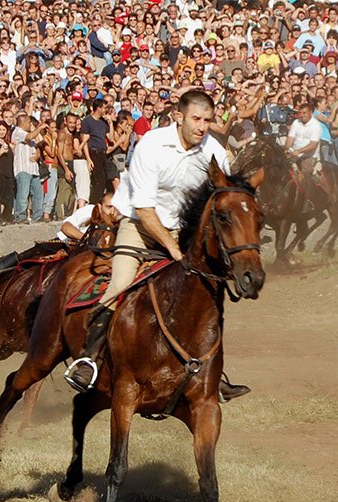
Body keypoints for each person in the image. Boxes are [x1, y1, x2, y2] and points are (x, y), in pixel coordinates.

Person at [63, 91, 249, 402]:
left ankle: (213, 373)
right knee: (121, 283)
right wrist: (174, 251)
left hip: (179, 230)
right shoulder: (151, 145)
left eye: (207, 120)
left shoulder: (211, 148)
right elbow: (146, 212)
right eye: (196, 119)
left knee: (206, 292)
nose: (202, 127)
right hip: (139, 226)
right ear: (179, 116)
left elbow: (227, 189)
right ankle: (89, 358)